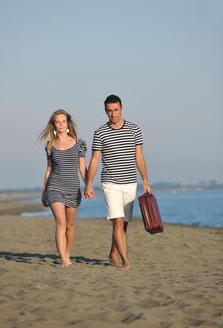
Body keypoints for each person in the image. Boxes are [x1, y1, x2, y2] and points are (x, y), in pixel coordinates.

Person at [84, 94, 151, 270]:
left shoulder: (134, 129)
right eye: (109, 111)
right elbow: (94, 160)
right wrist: (89, 184)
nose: (112, 114)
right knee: (118, 222)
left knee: (124, 224)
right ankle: (125, 261)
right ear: (105, 111)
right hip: (110, 183)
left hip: (130, 182)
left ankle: (113, 252)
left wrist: (145, 181)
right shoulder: (100, 132)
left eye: (115, 110)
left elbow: (139, 156)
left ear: (121, 108)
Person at [39, 109, 87, 267]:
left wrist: (89, 185)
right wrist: (44, 191)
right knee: (61, 222)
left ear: (68, 123)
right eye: (57, 121)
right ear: (53, 124)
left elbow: (82, 168)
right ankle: (64, 260)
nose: (60, 124)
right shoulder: (50, 145)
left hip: (73, 189)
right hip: (54, 187)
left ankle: (67, 254)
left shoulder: (79, 144)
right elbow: (49, 169)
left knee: (70, 225)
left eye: (63, 121)